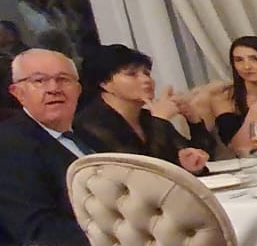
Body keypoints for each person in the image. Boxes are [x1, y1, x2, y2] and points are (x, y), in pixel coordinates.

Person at [0, 48, 91, 246]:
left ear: (78, 89)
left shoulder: (90, 135)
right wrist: (117, 241)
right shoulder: (4, 146)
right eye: (39, 81)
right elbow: (38, 230)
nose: (54, 88)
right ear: (17, 93)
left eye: (63, 79)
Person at [72, 43, 216, 173]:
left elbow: (204, 156)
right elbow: (142, 171)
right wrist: (160, 119)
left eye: (147, 73)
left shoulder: (146, 117)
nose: (146, 80)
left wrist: (193, 119)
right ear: (104, 83)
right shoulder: (92, 123)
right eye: (132, 74)